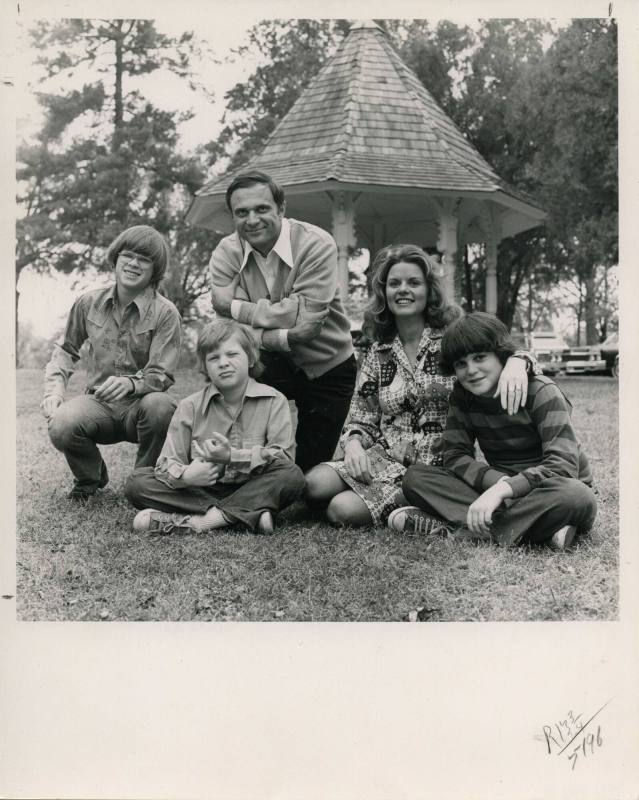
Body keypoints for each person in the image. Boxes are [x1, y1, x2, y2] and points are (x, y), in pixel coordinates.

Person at [304, 245, 534, 527]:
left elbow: (501, 353)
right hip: (383, 457)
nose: (403, 290)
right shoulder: (379, 352)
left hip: (437, 466)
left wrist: (518, 361)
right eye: (394, 283)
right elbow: (362, 416)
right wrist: (353, 445)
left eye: (413, 282)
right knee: (313, 484)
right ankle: (402, 502)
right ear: (384, 292)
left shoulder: (452, 340)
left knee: (341, 510)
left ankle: (423, 505)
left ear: (429, 290)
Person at [392, 312, 597, 549]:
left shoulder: (541, 390)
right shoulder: (463, 396)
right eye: (461, 364)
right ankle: (539, 531)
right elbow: (455, 455)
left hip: (552, 488)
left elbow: (563, 467)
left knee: (578, 496)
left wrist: (504, 489)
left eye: (480, 357)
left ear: (501, 355)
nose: (471, 370)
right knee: (415, 478)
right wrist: (499, 484)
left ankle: (467, 529)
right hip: (503, 486)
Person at [208, 170, 356, 473]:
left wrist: (235, 306)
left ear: (281, 208)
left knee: (309, 476)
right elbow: (227, 329)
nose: (252, 220)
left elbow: (300, 320)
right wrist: (285, 335)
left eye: (262, 209)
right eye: (242, 212)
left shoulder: (316, 243)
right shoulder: (226, 252)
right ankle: (238, 470)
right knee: (227, 371)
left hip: (327, 364)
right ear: (233, 215)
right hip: (267, 361)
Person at [125, 320, 306, 535]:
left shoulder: (274, 400)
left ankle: (203, 522)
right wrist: (186, 476)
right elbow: (167, 463)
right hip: (201, 490)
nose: (223, 363)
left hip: (253, 485)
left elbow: (283, 458)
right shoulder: (190, 406)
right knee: (137, 482)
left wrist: (232, 457)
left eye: (232, 354)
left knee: (292, 476)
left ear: (250, 358)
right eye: (213, 358)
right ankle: (249, 513)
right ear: (205, 367)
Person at [42, 225, 182, 500]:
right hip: (99, 404)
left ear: (155, 269)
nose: (133, 263)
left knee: (162, 407)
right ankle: (90, 479)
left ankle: (144, 481)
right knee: (61, 422)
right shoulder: (88, 302)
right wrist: (54, 391)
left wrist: (131, 384)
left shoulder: (166, 313)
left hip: (141, 407)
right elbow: (65, 349)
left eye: (144, 259)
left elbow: (161, 373)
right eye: (127, 255)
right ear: (116, 258)